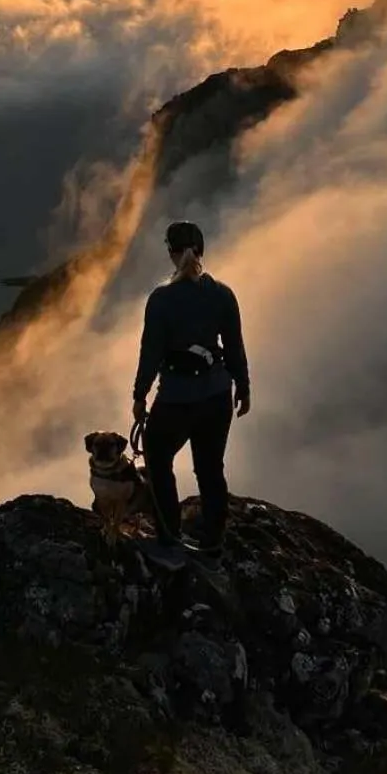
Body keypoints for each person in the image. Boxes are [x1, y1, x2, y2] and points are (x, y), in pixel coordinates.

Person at [132, 220, 250, 569]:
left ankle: (169, 538)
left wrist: (139, 396)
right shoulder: (222, 294)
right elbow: (234, 347)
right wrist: (243, 388)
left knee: (156, 457)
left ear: (171, 252)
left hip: (177, 397)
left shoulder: (162, 299)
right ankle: (213, 543)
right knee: (210, 468)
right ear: (201, 250)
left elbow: (150, 352)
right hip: (216, 395)